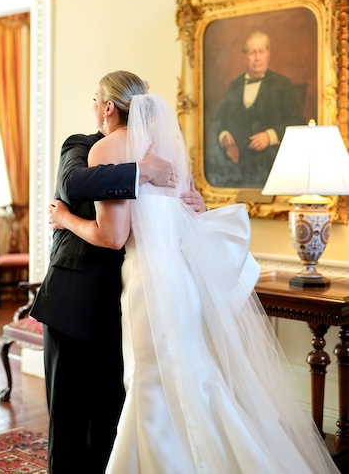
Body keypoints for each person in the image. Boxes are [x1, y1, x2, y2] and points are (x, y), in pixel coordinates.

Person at [50, 70, 339, 473]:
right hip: (181, 283)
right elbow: (182, 214)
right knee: (194, 379)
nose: (93, 108)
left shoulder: (108, 151)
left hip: (146, 287)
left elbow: (113, 237)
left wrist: (64, 218)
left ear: (109, 107)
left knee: (150, 384)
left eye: (95, 100)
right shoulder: (167, 154)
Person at [30, 81, 206, 474]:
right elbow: (72, 184)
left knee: (112, 417)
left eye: (95, 100)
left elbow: (178, 211)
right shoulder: (83, 144)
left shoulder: (161, 153)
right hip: (74, 300)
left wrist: (197, 203)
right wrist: (140, 171)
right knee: (69, 415)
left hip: (129, 301)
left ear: (108, 106)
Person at [210, 31, 306, 188]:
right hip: (235, 164)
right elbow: (220, 120)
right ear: (245, 55)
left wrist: (270, 136)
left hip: (269, 163)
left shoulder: (282, 84)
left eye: (261, 51)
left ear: (268, 53)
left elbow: (298, 122)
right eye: (252, 52)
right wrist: (224, 136)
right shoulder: (235, 85)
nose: (257, 57)